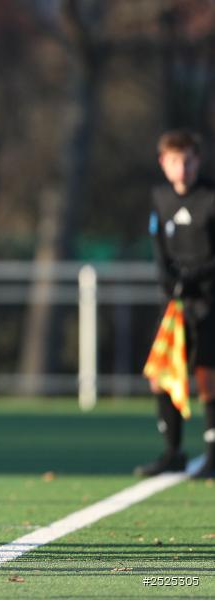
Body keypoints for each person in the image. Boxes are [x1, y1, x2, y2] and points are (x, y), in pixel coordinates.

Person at [137, 129, 215, 479]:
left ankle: (213, 455)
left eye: (186, 161)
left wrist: (195, 278)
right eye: (173, 161)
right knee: (160, 374)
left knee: (207, 377)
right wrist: (167, 279)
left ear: (197, 161)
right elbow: (157, 244)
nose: (181, 168)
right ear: (162, 163)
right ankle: (173, 452)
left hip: (208, 298)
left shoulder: (210, 198)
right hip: (174, 302)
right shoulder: (159, 197)